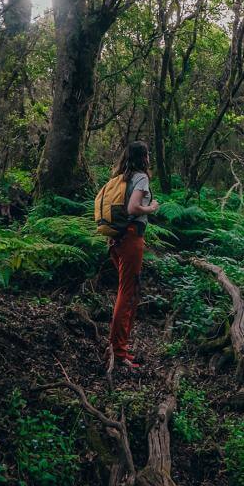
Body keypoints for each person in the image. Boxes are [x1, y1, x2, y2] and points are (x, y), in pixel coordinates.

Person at [106, 141, 159, 371]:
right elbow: (133, 208)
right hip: (130, 239)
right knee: (127, 294)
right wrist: (151, 207)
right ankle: (119, 352)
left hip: (117, 239)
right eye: (147, 153)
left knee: (127, 292)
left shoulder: (121, 178)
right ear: (143, 157)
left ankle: (118, 346)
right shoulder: (140, 178)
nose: (149, 157)